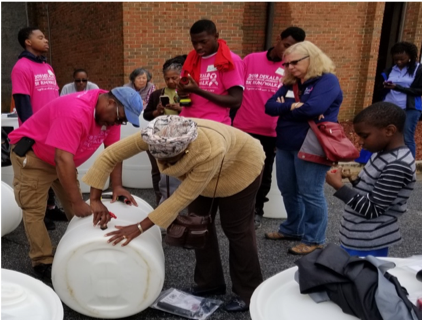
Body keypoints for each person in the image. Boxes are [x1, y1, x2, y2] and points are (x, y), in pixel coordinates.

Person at [82, 115, 265, 312]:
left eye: (169, 160)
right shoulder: (155, 135)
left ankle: (249, 293)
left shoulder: (210, 150)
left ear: (185, 150)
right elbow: (110, 154)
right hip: (202, 171)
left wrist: (138, 227)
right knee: (198, 225)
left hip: (241, 166)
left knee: (237, 230)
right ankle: (210, 283)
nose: (163, 164)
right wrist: (95, 198)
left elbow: (182, 197)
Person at [8, 87, 143, 282]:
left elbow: (114, 153)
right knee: (34, 211)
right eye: (120, 118)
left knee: (77, 208)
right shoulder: (74, 111)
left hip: (63, 159)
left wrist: (117, 186)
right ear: (111, 103)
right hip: (34, 156)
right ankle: (42, 261)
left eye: (123, 121)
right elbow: (62, 158)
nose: (118, 123)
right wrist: (77, 201)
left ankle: (81, 244)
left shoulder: (112, 116)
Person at [264, 41, 343, 255]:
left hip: (311, 144)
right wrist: (291, 106)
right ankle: (292, 228)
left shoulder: (327, 81)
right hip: (286, 144)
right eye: (287, 64)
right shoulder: (292, 83)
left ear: (312, 58)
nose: (289, 67)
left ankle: (314, 239)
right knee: (288, 190)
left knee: (311, 193)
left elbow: (314, 108)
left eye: (294, 62)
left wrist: (289, 110)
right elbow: (269, 106)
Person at [233, 26, 306, 229]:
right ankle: (236, 209)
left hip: (272, 131)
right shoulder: (251, 60)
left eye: (293, 49)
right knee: (238, 170)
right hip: (243, 127)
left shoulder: (291, 69)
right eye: (286, 45)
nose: (287, 51)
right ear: (278, 39)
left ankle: (257, 210)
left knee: (263, 174)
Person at [326, 102, 416, 257]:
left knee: (361, 279)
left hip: (368, 241)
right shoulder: (382, 153)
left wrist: (339, 187)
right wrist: (353, 179)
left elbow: (373, 209)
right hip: (358, 235)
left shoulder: (397, 165)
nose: (360, 141)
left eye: (364, 135)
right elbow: (372, 191)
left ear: (389, 130)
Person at [11, 26, 63, 229]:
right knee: (38, 176)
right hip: (36, 133)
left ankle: (51, 208)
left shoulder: (48, 67)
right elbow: (22, 103)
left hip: (54, 129)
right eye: (40, 37)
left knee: (53, 169)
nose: (46, 40)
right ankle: (41, 214)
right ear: (28, 42)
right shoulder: (21, 67)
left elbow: (55, 99)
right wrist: (33, 132)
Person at [177, 19, 245, 125]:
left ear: (216, 36)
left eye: (203, 42)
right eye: (194, 43)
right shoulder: (191, 59)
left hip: (214, 125)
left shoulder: (230, 60)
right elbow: (183, 98)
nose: (198, 47)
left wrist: (198, 91)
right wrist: (182, 94)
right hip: (187, 122)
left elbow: (236, 101)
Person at [144, 55, 187, 205]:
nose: (170, 81)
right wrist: (157, 112)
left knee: (180, 170)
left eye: (174, 78)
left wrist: (180, 109)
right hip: (158, 136)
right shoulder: (157, 94)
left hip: (180, 138)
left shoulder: (185, 93)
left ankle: (179, 200)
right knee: (157, 169)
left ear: (181, 77)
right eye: (167, 78)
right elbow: (147, 115)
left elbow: (193, 112)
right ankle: (160, 200)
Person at [382, 41, 421, 159]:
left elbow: (419, 90)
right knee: (386, 133)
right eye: (396, 59)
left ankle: (409, 166)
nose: (399, 62)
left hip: (410, 108)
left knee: (406, 136)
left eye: (402, 59)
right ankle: (389, 160)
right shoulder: (390, 70)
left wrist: (398, 87)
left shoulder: (418, 69)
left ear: (410, 56)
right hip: (390, 106)